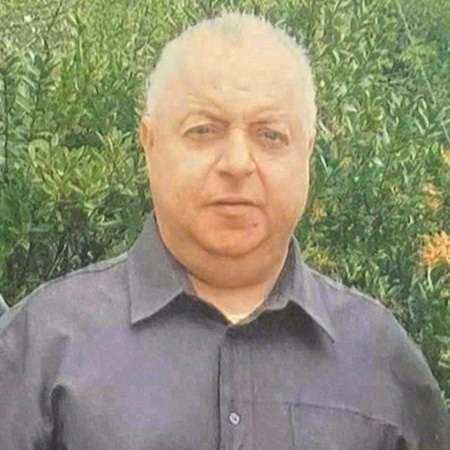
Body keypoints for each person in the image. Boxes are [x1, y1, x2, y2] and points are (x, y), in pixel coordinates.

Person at [0, 11, 449, 450]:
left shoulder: (380, 360)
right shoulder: (41, 347)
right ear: (149, 144)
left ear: (307, 153)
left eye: (270, 135)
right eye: (203, 130)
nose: (237, 163)